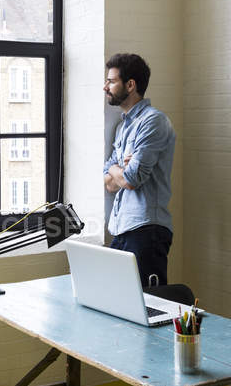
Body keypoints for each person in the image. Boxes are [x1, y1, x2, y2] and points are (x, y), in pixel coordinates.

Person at [102, 53, 176, 287]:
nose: (106, 87)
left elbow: (131, 179)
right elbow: (109, 182)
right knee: (117, 304)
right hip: (122, 230)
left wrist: (121, 171)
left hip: (147, 231)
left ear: (130, 85)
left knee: (149, 309)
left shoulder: (153, 122)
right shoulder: (124, 126)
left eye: (111, 81)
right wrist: (119, 168)